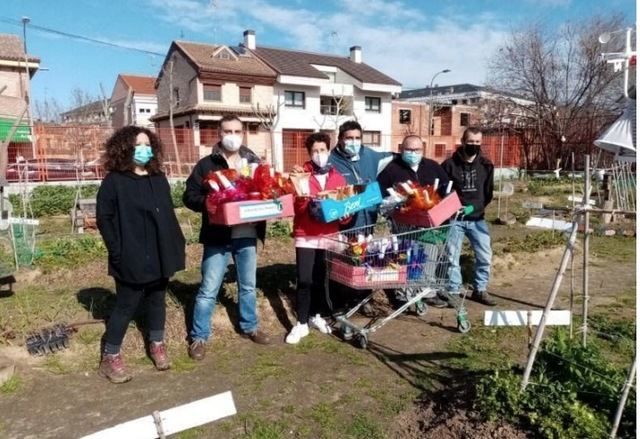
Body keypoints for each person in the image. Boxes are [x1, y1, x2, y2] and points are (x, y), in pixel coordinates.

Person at [96, 126, 186, 383]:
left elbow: (167, 215)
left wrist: (173, 245)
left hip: (160, 252)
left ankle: (157, 344)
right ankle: (110, 356)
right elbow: (105, 219)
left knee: (157, 299)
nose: (144, 150)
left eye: (148, 145)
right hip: (130, 254)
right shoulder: (114, 181)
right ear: (125, 148)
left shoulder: (158, 177)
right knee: (126, 305)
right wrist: (117, 250)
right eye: (138, 145)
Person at [183, 114, 271, 361]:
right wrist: (211, 204)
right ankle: (199, 336)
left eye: (237, 131)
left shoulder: (253, 161)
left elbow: (265, 192)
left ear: (243, 133)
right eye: (227, 131)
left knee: (248, 286)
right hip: (217, 236)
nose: (232, 136)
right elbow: (188, 196)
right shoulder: (206, 165)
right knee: (209, 288)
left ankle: (249, 326)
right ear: (219, 134)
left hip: (247, 234)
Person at [286, 132, 347, 344]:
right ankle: (301, 323)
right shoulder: (300, 174)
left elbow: (344, 213)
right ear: (309, 153)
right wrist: (307, 201)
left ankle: (316, 316)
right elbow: (296, 206)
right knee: (304, 279)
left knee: (322, 278)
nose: (319, 154)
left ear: (329, 151)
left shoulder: (338, 177)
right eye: (314, 151)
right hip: (306, 234)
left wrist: (346, 214)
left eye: (322, 150)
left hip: (329, 234)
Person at [377, 135, 451, 309]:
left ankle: (428, 291)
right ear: (402, 150)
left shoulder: (432, 167)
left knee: (429, 255)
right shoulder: (391, 170)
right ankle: (405, 293)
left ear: (422, 150)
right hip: (404, 224)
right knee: (407, 256)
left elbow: (446, 189)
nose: (413, 153)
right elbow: (381, 195)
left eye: (416, 150)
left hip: (430, 223)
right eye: (409, 150)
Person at [440, 127, 497, 306]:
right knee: (451, 257)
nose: (474, 145)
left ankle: (479, 289)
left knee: (485, 256)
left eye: (477, 142)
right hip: (455, 220)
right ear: (463, 142)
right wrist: (454, 206)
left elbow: (488, 194)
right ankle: (454, 290)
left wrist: (474, 208)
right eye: (470, 142)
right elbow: (443, 192)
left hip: (477, 219)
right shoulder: (449, 165)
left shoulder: (486, 166)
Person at [328, 120, 393, 229]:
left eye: (357, 138)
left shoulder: (370, 155)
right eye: (349, 138)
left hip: (369, 223)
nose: (354, 142)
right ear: (340, 139)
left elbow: (395, 157)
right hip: (344, 228)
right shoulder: (330, 161)